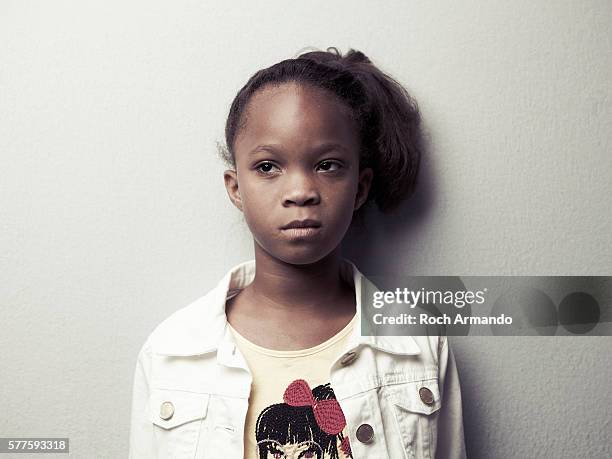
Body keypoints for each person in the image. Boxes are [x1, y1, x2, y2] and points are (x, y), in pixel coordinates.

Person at [128, 47, 466, 458]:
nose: (300, 191)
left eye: (327, 165)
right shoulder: (172, 352)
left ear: (359, 187)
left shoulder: (416, 345)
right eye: (268, 167)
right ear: (236, 188)